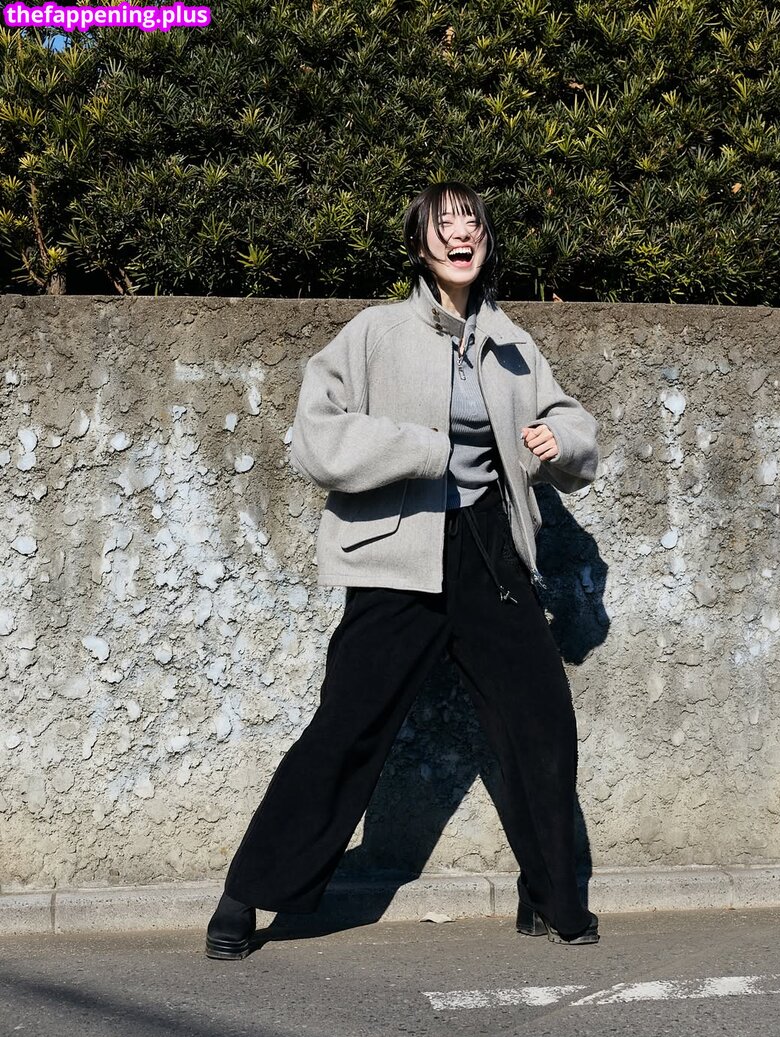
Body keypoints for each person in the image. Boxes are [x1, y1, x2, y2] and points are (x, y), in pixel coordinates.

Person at [205, 182, 601, 960]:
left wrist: (561, 441)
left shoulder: (513, 343)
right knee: (347, 728)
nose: (459, 235)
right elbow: (315, 437)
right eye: (442, 225)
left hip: (489, 550)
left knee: (541, 726)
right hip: (396, 550)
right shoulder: (374, 333)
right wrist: (422, 449)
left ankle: (551, 897)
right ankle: (246, 895)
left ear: (485, 241)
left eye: (471, 224)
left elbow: (569, 420)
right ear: (420, 245)